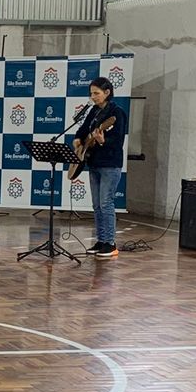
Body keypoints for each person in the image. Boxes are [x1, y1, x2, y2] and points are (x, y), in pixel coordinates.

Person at [73, 77, 127, 258]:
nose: (93, 97)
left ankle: (110, 243)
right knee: (96, 205)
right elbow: (83, 130)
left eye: (96, 93)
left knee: (106, 203)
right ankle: (101, 240)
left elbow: (118, 140)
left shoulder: (117, 113)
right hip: (94, 162)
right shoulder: (94, 111)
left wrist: (103, 141)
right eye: (91, 93)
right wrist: (78, 139)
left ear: (107, 92)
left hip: (110, 164)